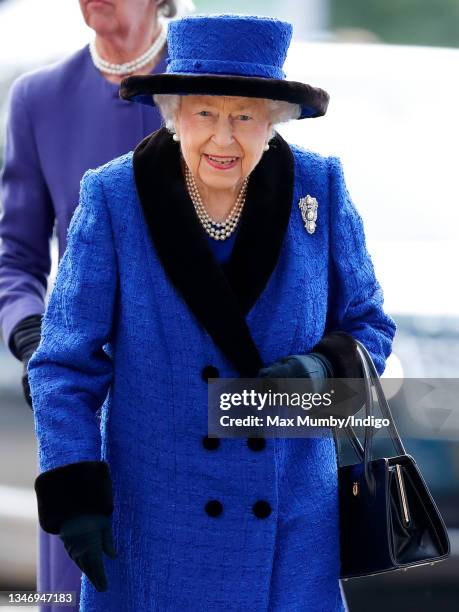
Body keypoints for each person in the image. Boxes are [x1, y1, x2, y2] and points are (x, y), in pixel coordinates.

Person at [28, 14, 396, 612]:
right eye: (205, 113)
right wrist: (75, 489)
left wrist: (317, 376)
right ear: (175, 114)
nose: (223, 138)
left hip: (291, 529)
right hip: (157, 527)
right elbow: (65, 364)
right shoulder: (114, 197)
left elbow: (370, 327)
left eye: (244, 116)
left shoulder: (318, 188)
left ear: (272, 121)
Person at [0, 1, 189, 610]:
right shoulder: (38, 97)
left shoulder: (206, 82)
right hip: (80, 415)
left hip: (191, 408)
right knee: (74, 594)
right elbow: (15, 255)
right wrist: (33, 338)